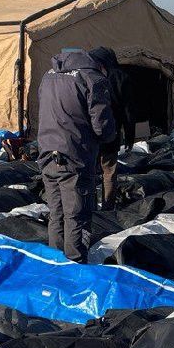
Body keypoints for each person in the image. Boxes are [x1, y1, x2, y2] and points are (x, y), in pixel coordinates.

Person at [37, 49, 114, 263]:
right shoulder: (92, 79)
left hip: (48, 153)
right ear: (103, 66)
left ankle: (55, 262)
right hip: (76, 155)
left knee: (57, 214)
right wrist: (110, 138)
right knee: (77, 215)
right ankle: (75, 265)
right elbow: (102, 126)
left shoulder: (49, 75)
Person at [88, 47, 128, 211]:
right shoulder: (121, 77)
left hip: (91, 133)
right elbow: (128, 109)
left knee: (89, 172)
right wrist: (129, 134)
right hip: (112, 133)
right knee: (109, 172)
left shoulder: (89, 78)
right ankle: (108, 206)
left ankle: (89, 205)